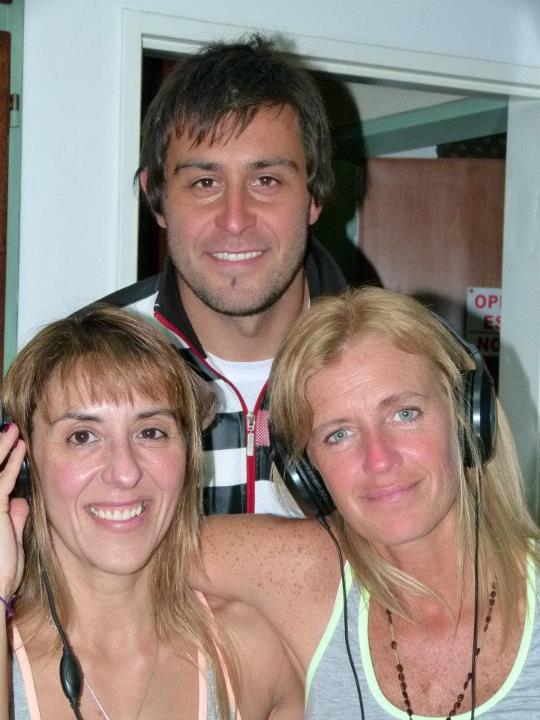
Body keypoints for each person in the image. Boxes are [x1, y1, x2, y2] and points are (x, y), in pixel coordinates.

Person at [197, 286, 540, 718]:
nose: (379, 460)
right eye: (338, 435)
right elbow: (138, 554)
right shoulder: (306, 574)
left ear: (468, 418)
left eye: (405, 413)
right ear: (306, 472)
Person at [0, 306, 302, 720]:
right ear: (24, 464)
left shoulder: (251, 657)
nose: (125, 472)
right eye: (83, 436)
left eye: (150, 432)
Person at [96, 34, 347, 515]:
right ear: (157, 199)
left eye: (266, 180)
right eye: (205, 182)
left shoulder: (414, 363)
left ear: (314, 195)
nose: (235, 219)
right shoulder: (72, 370)